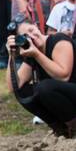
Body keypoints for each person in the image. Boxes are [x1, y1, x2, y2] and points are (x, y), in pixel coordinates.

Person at [7, 8, 76, 137]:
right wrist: (11, 55)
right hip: (68, 98)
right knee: (23, 92)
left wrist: (37, 54)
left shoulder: (59, 40)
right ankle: (60, 128)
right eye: (26, 36)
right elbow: (14, 86)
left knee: (45, 87)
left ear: (37, 26)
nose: (32, 36)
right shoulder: (33, 53)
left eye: (32, 30)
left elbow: (64, 76)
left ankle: (73, 126)